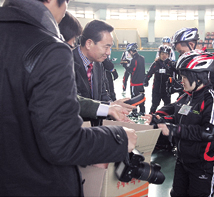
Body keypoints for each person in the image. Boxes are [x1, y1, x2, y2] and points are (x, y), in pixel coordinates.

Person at [0, 0, 137, 196]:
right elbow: (62, 142)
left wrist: (109, 106)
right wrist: (119, 138)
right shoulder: (50, 49)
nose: (64, 10)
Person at [145, 51, 214, 196]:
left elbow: (209, 132)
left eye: (184, 77)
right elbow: (178, 118)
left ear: (198, 77)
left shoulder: (211, 100)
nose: (181, 81)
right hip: (183, 159)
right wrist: (159, 120)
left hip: (203, 163)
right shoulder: (187, 97)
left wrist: (173, 129)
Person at [59, 12, 134, 122]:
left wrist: (112, 105)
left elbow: (103, 93)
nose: (108, 53)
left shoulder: (98, 64)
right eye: (106, 47)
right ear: (89, 43)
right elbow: (72, 101)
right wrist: (108, 107)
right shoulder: (66, 63)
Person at [144, 45, 176, 114]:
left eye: (166, 54)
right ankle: (151, 117)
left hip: (167, 91)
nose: (164, 55)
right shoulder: (156, 64)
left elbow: (175, 76)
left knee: (167, 107)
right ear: (159, 54)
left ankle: (166, 120)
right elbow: (150, 73)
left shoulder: (171, 65)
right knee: (154, 106)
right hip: (156, 90)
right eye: (162, 54)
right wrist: (146, 79)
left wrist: (174, 86)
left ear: (169, 55)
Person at [124, 43, 146, 117]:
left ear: (131, 51)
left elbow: (130, 70)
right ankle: (142, 111)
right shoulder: (142, 58)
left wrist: (125, 66)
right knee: (141, 96)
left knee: (134, 98)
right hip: (141, 82)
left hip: (134, 83)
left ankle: (134, 112)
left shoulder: (134, 60)